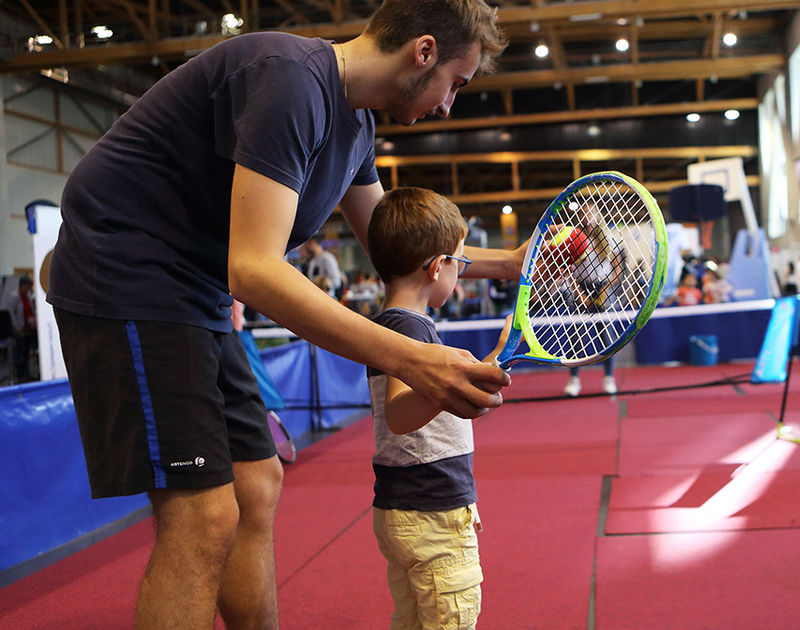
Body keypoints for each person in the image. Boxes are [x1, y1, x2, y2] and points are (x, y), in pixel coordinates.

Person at [45, 2, 511, 628]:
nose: (449, 104)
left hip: (199, 291)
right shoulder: (290, 79)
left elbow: (400, 250)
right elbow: (256, 271)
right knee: (202, 515)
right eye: (456, 82)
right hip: (129, 277)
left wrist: (509, 262)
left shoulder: (358, 127)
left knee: (256, 485)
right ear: (422, 51)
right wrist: (413, 357)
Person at [365, 187, 514, 630]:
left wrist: (488, 366)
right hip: (431, 510)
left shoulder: (393, 324)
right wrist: (484, 368)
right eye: (460, 264)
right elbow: (400, 413)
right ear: (436, 268)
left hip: (402, 510)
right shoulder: (409, 329)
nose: (460, 273)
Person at [563, 205, 625, 397]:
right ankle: (574, 380)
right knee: (576, 337)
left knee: (606, 336)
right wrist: (579, 292)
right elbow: (567, 269)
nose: (587, 216)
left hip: (604, 289)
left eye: (591, 212)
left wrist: (606, 289)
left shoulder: (609, 239)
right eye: (583, 213)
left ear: (598, 216)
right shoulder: (574, 239)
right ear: (579, 217)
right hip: (581, 288)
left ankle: (609, 378)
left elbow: (618, 268)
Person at [1, 276, 36, 381]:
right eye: (28, 287)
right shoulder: (13, 297)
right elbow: (10, 314)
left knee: (26, 352)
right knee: (19, 354)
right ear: (22, 286)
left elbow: (30, 312)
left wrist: (33, 322)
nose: (29, 289)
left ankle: (26, 374)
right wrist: (17, 327)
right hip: (18, 330)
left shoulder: (28, 296)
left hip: (27, 328)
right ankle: (19, 376)